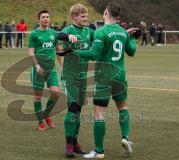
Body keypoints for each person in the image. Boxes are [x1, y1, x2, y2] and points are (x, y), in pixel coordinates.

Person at [73, 2, 138, 158]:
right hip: (120, 76)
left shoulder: (101, 32)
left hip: (104, 77)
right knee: (122, 107)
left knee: (99, 114)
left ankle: (99, 151)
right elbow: (132, 51)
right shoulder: (123, 32)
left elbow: (94, 53)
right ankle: (126, 137)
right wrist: (133, 38)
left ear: (106, 13)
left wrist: (74, 51)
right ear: (118, 16)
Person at [28, 10, 77, 131]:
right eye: (43, 17)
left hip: (51, 69)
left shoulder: (54, 33)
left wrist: (63, 66)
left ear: (49, 19)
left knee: (55, 94)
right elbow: (30, 51)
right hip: (39, 69)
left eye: (47, 17)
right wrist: (36, 66)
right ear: (38, 20)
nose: (45, 19)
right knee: (38, 97)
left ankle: (46, 114)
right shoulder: (34, 34)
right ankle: (40, 122)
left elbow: (58, 50)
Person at [60, 3, 94, 158]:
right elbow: (58, 48)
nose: (85, 19)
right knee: (72, 108)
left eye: (86, 16)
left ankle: (75, 142)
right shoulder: (68, 30)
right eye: (82, 16)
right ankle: (68, 144)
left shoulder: (89, 31)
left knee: (78, 111)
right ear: (74, 17)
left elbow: (102, 38)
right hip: (70, 77)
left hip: (82, 77)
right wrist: (67, 38)